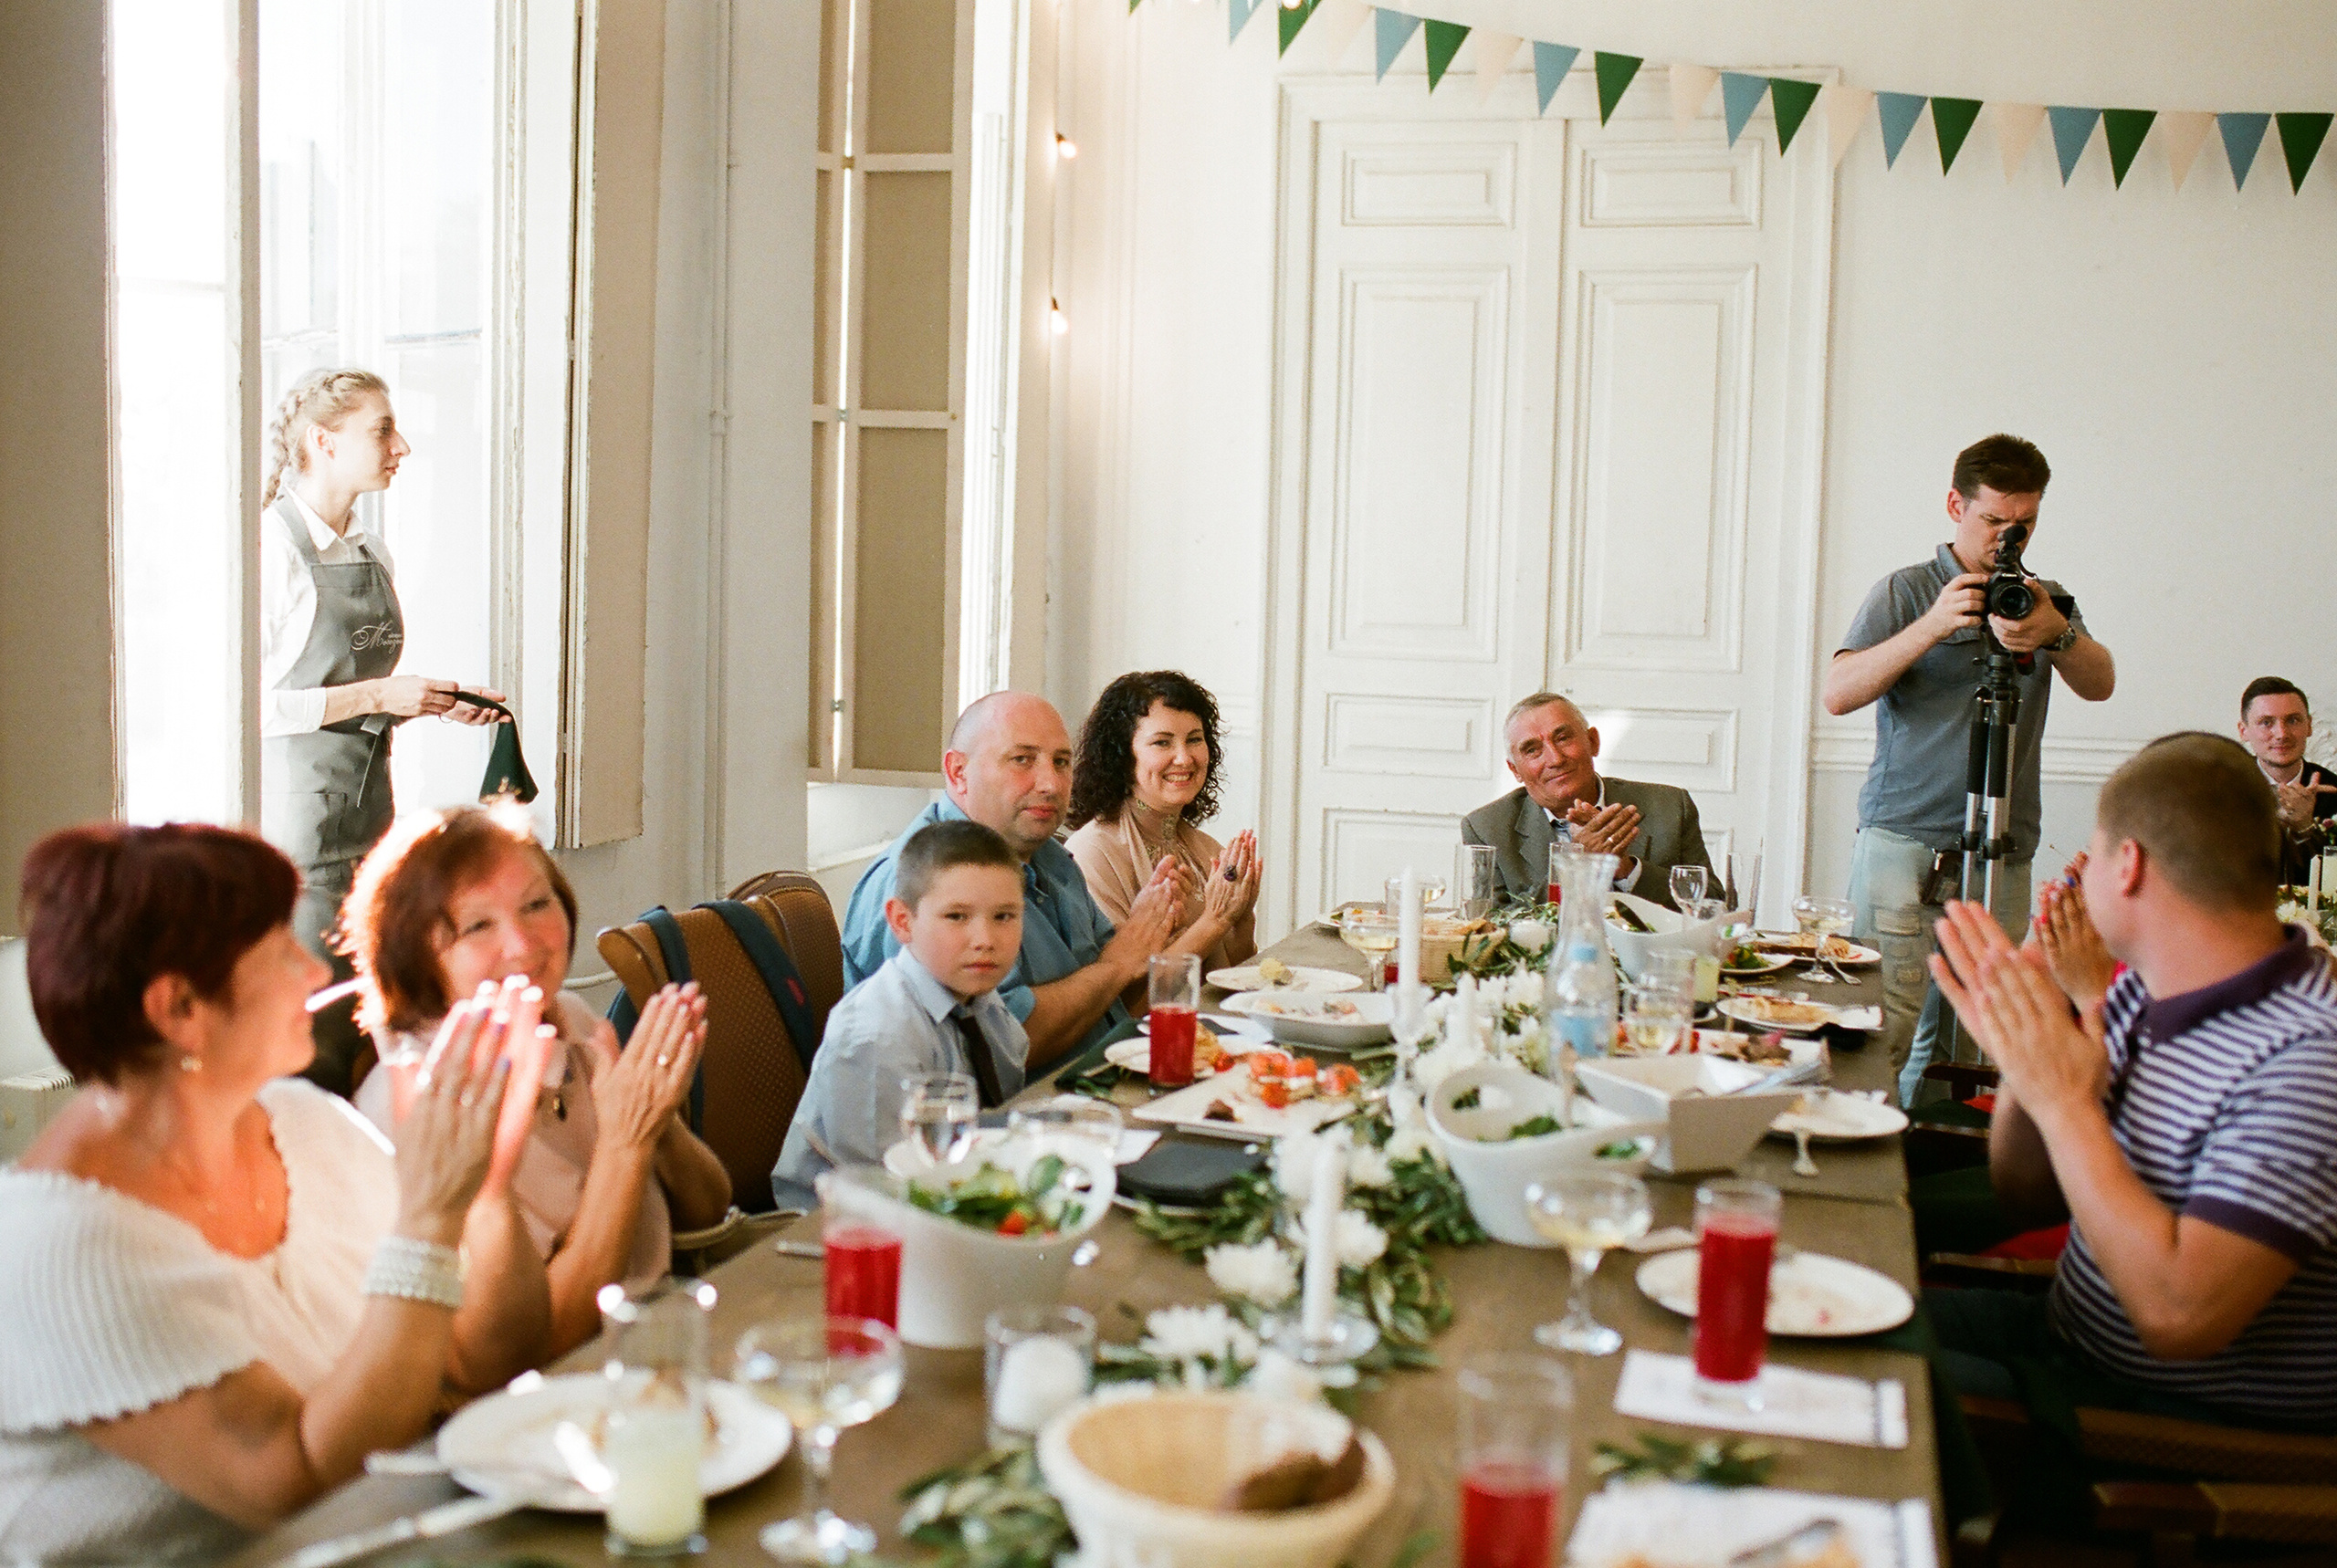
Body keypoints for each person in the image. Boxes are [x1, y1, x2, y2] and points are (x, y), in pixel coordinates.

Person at [0, 823, 550, 1562]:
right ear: (180, 1011)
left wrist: (485, 1191)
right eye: (280, 952)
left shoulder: (302, 1124)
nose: (316, 973)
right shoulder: (68, 1246)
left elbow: (485, 1361)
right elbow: (294, 1484)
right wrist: (430, 1214)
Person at [1924, 733, 2337, 1464]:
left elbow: (2178, 1317)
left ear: (2129, 864)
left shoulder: (2307, 1059)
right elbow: (2029, 1198)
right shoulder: (2149, 990)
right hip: (2068, 1339)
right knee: (1805, 1310)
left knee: (1829, 1378)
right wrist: (2035, 1040)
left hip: (2176, 1435)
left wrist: (2068, 1106)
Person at [344, 807, 733, 1356]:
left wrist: (659, 1121)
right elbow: (542, 1342)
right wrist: (625, 1143)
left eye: (536, 904)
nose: (524, 945)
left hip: (664, 1333)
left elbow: (710, 1213)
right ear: (416, 955)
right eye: (478, 926)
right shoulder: (416, 1102)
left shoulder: (569, 1018)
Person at [1821, 434, 2116, 1104]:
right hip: (1905, 846)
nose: (2007, 540)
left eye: (2024, 525)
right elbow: (1837, 693)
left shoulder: (2045, 598)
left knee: (1975, 1037)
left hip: (2003, 852)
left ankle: (1936, 1179)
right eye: (1992, 522)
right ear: (1956, 504)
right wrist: (1930, 625)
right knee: (1880, 1030)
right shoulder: (1905, 590)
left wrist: (2056, 632)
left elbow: (2100, 683)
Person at [258, 370, 508, 1098]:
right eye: (382, 430)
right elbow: (255, 709)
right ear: (323, 441)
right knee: (314, 1045)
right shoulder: (271, 553)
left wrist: (429, 701)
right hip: (298, 841)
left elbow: (349, 697)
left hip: (371, 826)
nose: (400, 446)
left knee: (373, 1031)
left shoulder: (372, 553)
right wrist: (380, 692)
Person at [841, 692, 1186, 1068]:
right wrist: (1117, 965)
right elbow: (999, 1050)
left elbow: (1112, 997)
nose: (1051, 784)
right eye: (1022, 760)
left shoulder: (1052, 857)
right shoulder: (916, 878)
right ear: (959, 773)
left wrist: (1145, 939)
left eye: (1061, 763)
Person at [774, 820, 1030, 1206]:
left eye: (1004, 916)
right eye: (957, 917)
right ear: (902, 922)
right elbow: (888, 1188)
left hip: (955, 1186)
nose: (985, 940)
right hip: (841, 1230)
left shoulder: (978, 999)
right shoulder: (879, 1035)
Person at [1065, 670, 1261, 974]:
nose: (1184, 758)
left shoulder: (1207, 849)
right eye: (1162, 743)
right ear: (1122, 755)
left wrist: (1241, 915)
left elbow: (1235, 976)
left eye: (1194, 740)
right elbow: (1122, 997)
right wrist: (1215, 919)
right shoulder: (1091, 853)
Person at [1462, 693, 1715, 908]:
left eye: (1563, 738)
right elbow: (1491, 931)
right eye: (1532, 750)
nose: (1555, 759)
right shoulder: (1486, 828)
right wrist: (1573, 867)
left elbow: (1711, 907)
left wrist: (1626, 869)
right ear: (1515, 770)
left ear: (1593, 742)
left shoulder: (1670, 807)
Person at [2235, 676, 2336, 887]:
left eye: (2293, 720)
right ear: (2243, 730)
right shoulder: (2222, 790)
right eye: (2266, 723)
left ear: (2309, 726)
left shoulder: (2334, 791)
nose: (2281, 734)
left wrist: (2306, 829)